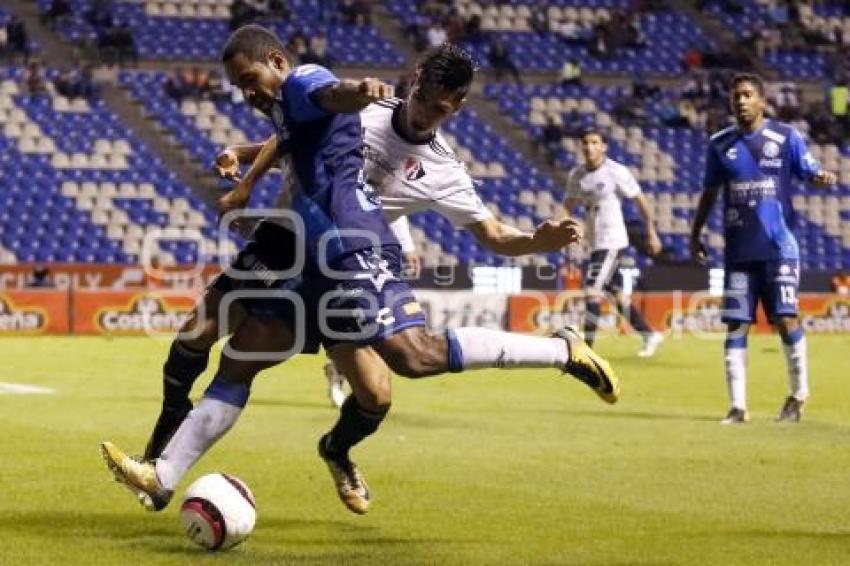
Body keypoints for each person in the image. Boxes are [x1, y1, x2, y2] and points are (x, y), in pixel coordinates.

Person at [100, 32, 618, 516]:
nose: (425, 113)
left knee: (389, 382)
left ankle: (555, 351)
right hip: (295, 247)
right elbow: (308, 118)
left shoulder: (444, 170)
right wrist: (245, 159)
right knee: (239, 356)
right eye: (422, 99)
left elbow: (492, 234)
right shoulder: (367, 109)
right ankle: (163, 472)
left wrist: (537, 241)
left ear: (456, 107)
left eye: (440, 108)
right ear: (413, 85)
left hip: (355, 249)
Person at [689, 73, 837, 425]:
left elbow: (809, 170)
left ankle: (798, 395)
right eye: (735, 96)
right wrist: (695, 232)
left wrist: (820, 177)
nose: (740, 101)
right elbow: (709, 193)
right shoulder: (719, 144)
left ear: (762, 100)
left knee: (785, 320)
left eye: (747, 95)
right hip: (739, 254)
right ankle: (738, 407)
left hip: (778, 249)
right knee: (736, 326)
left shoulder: (785, 137)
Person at [562, 129, 664, 357]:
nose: (589, 147)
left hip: (613, 240)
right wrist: (562, 229)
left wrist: (651, 231)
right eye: (585, 142)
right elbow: (567, 205)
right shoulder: (577, 175)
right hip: (595, 242)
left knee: (592, 290)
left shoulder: (616, 172)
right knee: (616, 295)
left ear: (604, 147)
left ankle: (587, 352)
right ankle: (649, 334)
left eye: (595, 142)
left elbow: (640, 200)